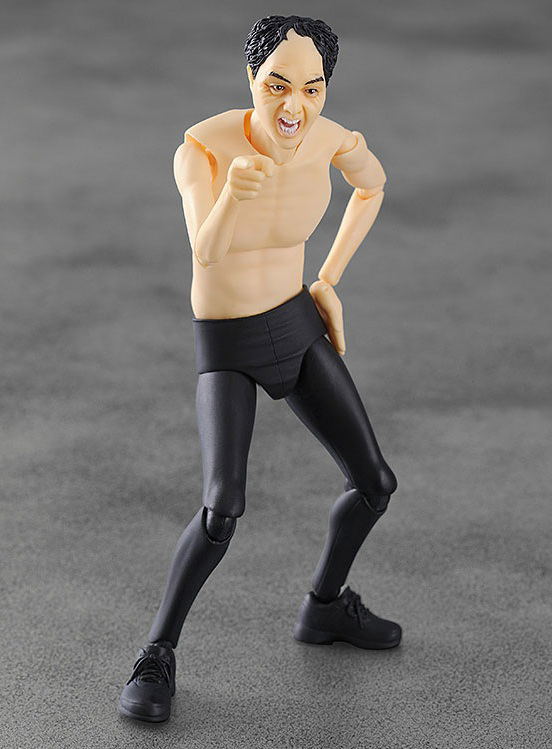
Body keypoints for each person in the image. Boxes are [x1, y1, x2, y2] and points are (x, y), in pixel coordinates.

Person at [119, 15, 401, 724]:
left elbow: (372, 187)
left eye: (312, 88)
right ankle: (156, 652)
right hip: (229, 340)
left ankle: (325, 606)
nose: (294, 105)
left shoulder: (332, 140)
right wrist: (230, 198)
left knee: (374, 483)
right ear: (251, 79)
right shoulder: (203, 148)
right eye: (277, 85)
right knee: (223, 508)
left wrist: (328, 278)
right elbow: (206, 250)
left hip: (295, 324)